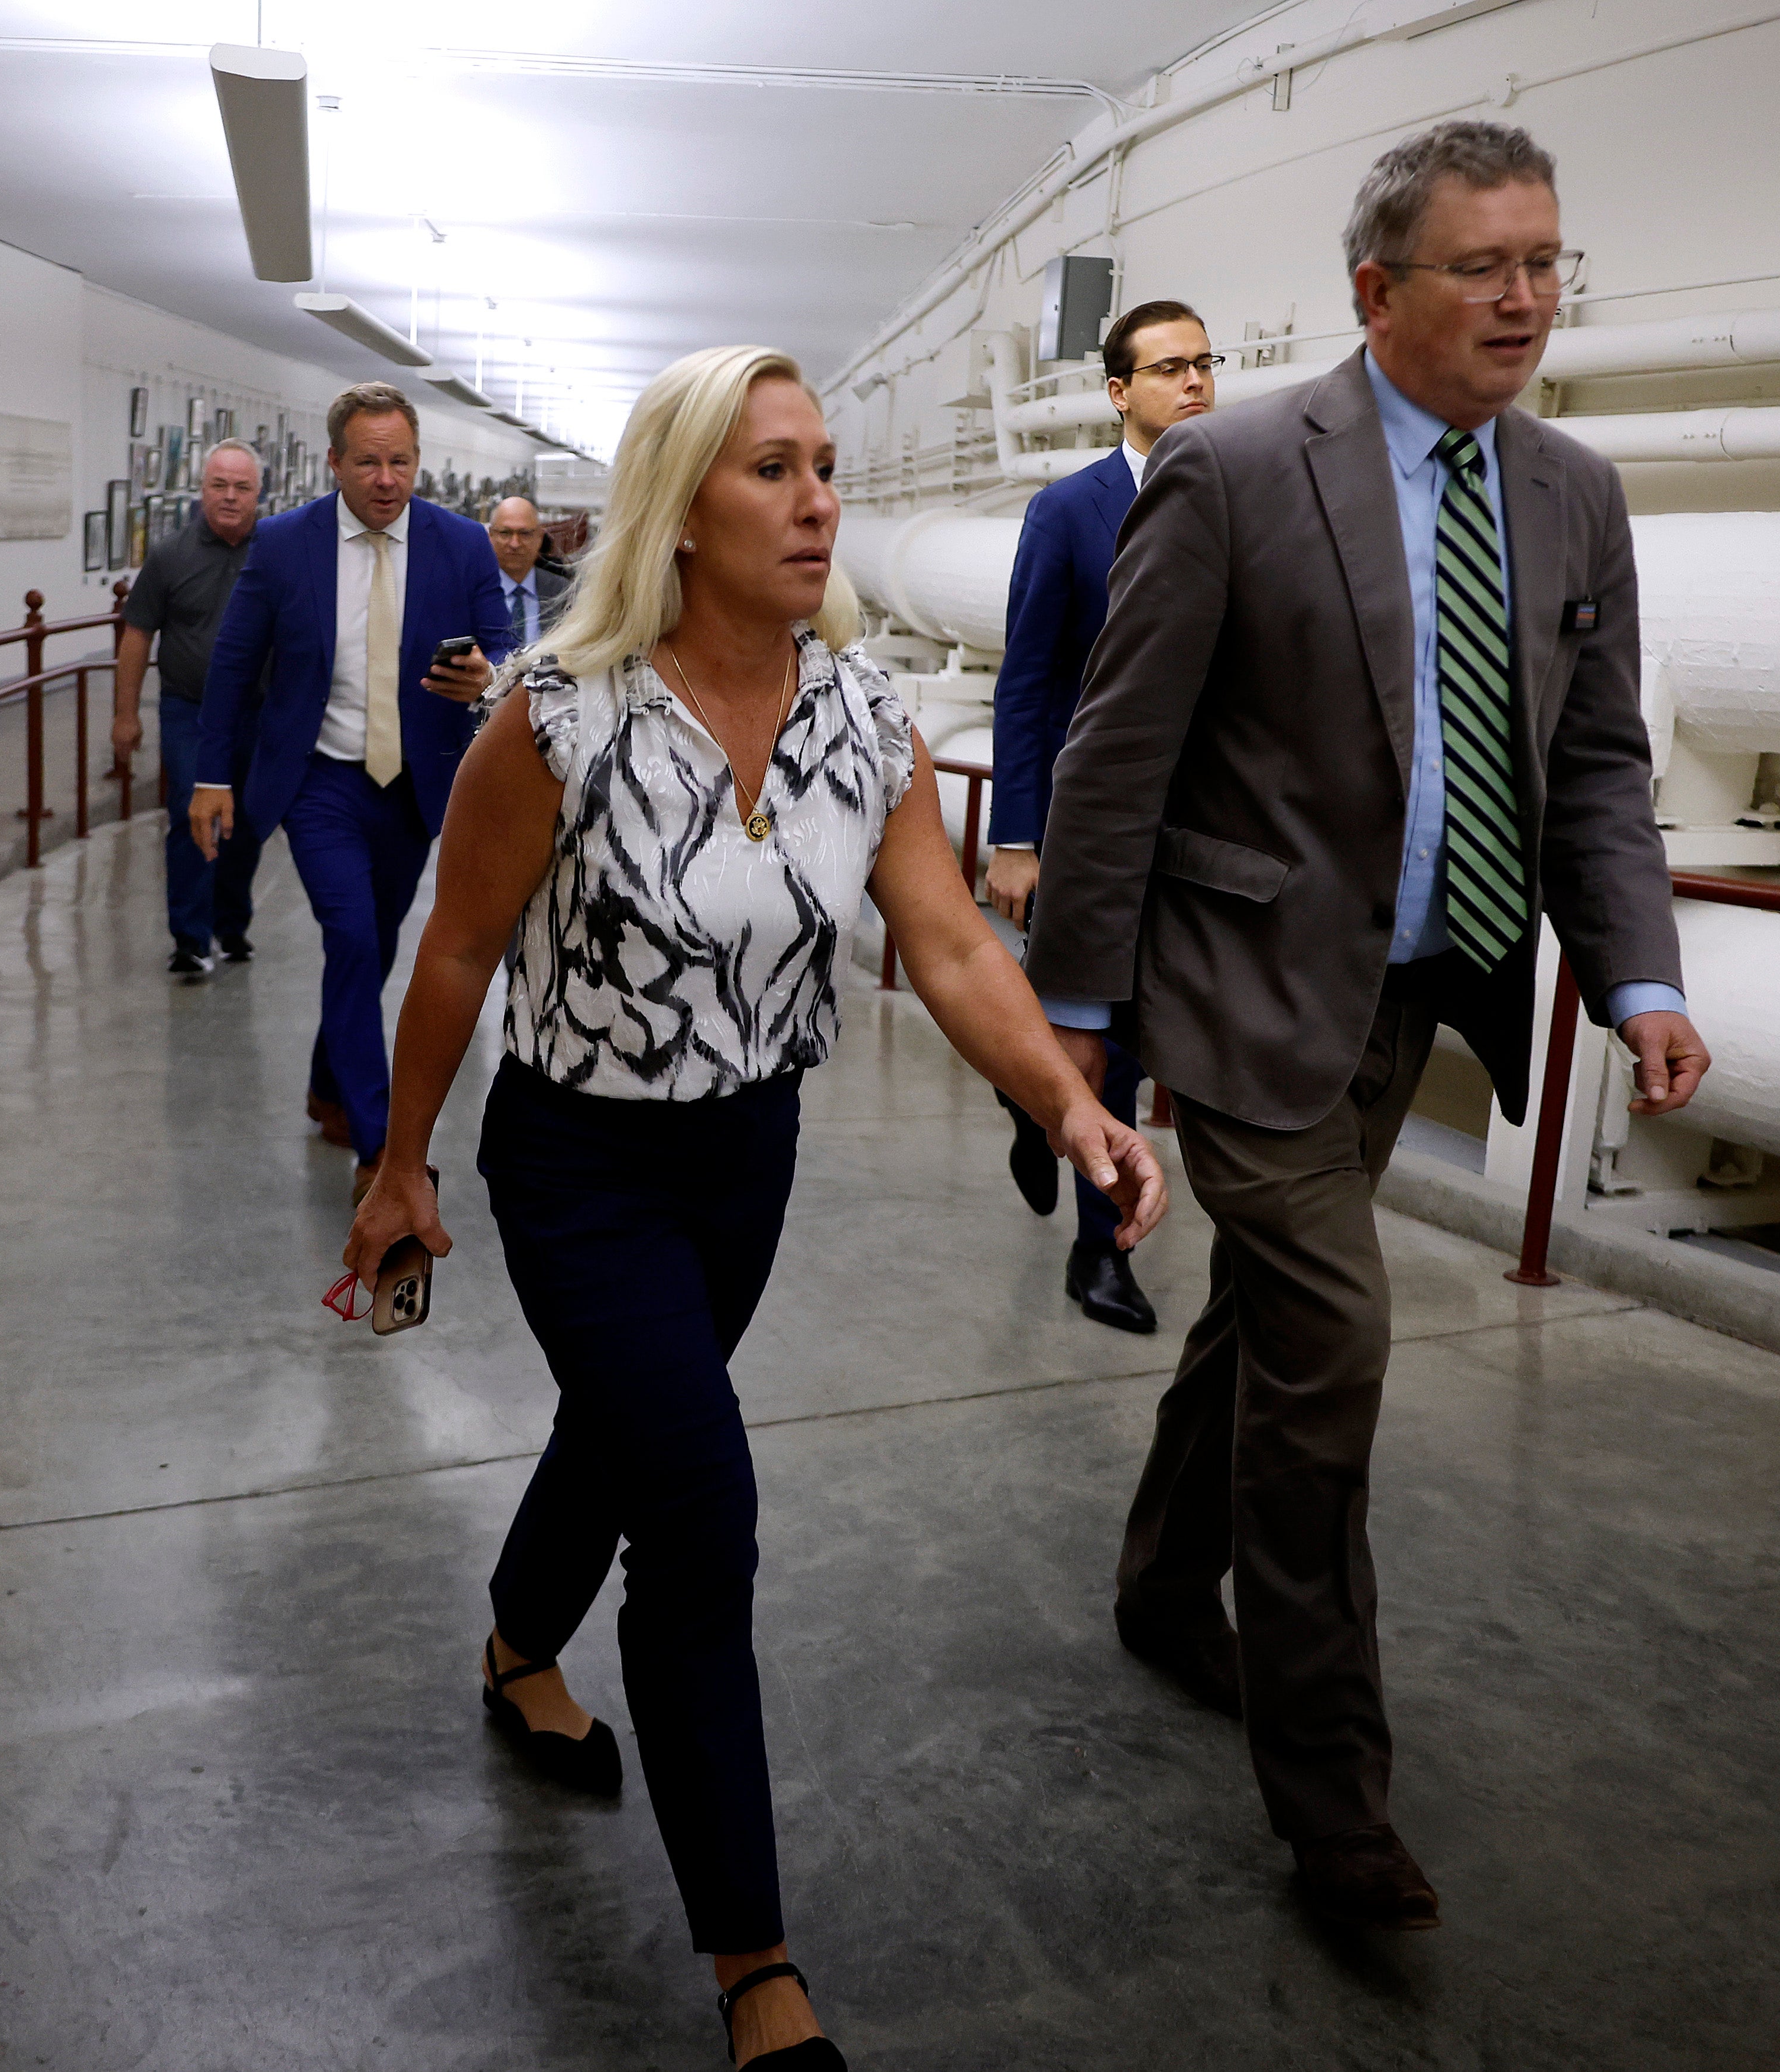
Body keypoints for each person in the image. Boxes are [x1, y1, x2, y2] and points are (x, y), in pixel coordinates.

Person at [342, 346, 1167, 2070]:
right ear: (683, 507)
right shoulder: (558, 714)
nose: (813, 501)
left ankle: (511, 1639)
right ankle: (755, 1965)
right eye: (769, 469)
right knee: (697, 1505)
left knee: (637, 1422)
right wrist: (400, 1159)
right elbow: (457, 950)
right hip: (575, 1161)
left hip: (743, 1159)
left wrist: (1072, 1102)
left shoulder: (867, 722)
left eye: (821, 467)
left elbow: (942, 942)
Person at [1023, 120, 1711, 1933]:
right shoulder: (1235, 471)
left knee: (1261, 1311)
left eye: (1543, 261)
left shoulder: (1571, 494)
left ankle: (1166, 1585)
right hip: (1244, 996)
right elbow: (1117, 755)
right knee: (1334, 1338)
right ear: (1372, 290)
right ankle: (1332, 1800)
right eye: (1480, 265)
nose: (1521, 297)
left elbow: (1589, 768)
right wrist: (1073, 1025)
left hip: (1415, 1001)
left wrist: (1635, 974)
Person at [186, 383, 515, 1190]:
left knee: (376, 944)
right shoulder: (285, 543)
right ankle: (381, 1145)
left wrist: (489, 677)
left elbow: (508, 659)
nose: (385, 478)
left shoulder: (462, 544)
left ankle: (327, 1085)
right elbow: (233, 663)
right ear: (334, 462)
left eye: (400, 460)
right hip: (318, 780)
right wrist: (211, 774)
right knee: (354, 940)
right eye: (367, 462)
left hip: (412, 785)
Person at [986, 297, 1219, 1335]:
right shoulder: (1068, 513)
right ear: (1120, 392)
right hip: (1092, 832)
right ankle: (1101, 1252)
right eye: (1171, 368)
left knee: (1164, 1035)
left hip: (1206, 829)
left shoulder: (1242, 501)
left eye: (1206, 364)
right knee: (1109, 1046)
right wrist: (1017, 836)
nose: (1197, 382)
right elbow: (1026, 684)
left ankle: (1034, 1106)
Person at [116, 440, 265, 978]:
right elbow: (136, 636)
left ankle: (231, 923)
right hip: (189, 710)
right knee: (189, 810)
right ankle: (190, 936)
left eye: (241, 487)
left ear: (258, 493)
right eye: (219, 485)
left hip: (257, 712)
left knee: (247, 820)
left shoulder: (274, 552)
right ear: (202, 490)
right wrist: (125, 715)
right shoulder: (170, 555)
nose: (230, 497)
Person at [485, 494, 571, 651]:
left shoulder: (564, 593)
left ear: (540, 538)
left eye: (525, 534)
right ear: (490, 536)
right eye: (505, 533)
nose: (515, 543)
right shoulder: (471, 591)